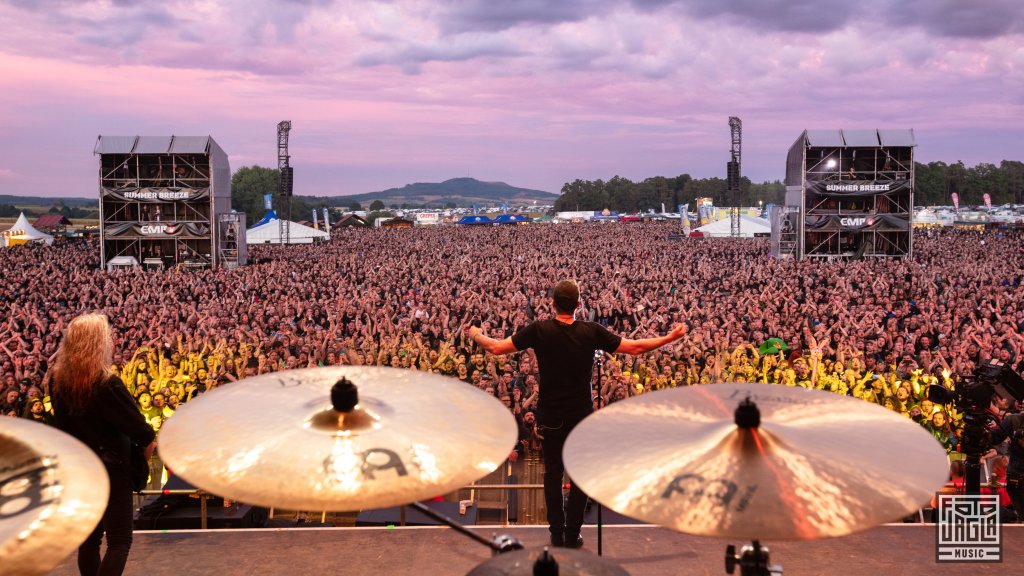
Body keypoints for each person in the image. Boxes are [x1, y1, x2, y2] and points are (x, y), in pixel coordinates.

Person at [467, 279, 687, 548]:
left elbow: (497, 348)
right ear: (579, 305)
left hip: (550, 415)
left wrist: (476, 333)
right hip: (580, 416)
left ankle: (556, 533)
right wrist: (670, 337)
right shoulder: (591, 331)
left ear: (552, 304)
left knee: (552, 474)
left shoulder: (540, 329)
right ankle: (573, 534)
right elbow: (635, 348)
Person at [51, 313, 157, 576]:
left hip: (80, 469)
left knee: (89, 541)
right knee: (119, 541)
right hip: (111, 470)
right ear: (99, 343)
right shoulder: (106, 383)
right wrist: (138, 464)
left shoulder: (56, 380)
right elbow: (143, 433)